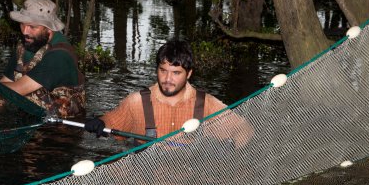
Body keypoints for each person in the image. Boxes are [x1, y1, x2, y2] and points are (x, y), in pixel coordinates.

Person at [84, 39, 251, 145]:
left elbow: (243, 130)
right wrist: (100, 122)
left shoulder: (206, 103)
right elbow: (112, 121)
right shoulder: (137, 102)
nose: (167, 79)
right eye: (163, 70)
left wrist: (231, 159)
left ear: (189, 74)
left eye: (176, 73)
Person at [0, 0, 85, 118]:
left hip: (60, 127)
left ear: (49, 29)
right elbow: (3, 84)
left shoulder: (59, 55)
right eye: (22, 24)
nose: (25, 32)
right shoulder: (25, 46)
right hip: (32, 116)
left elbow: (15, 90)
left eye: (32, 27)